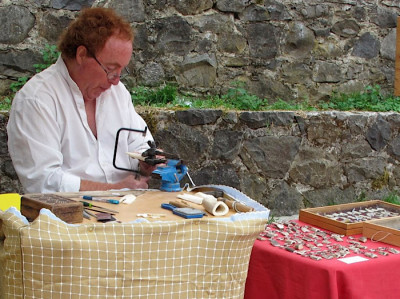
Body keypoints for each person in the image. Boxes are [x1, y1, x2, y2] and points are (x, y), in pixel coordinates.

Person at [7, 7, 156, 193]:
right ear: (81, 55)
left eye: (121, 71)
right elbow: (44, 181)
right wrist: (113, 189)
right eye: (110, 69)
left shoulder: (118, 93)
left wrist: (148, 161)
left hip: (129, 212)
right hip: (69, 218)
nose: (116, 80)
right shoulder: (36, 100)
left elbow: (141, 144)